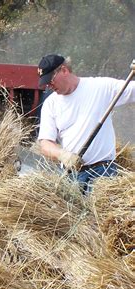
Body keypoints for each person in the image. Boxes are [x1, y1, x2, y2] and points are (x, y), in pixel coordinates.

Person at [37, 54, 135, 192]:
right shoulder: (51, 104)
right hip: (71, 177)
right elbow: (45, 144)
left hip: (103, 173)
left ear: (64, 70)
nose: (48, 86)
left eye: (50, 80)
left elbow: (132, 89)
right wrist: (63, 155)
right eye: (45, 82)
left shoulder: (100, 87)